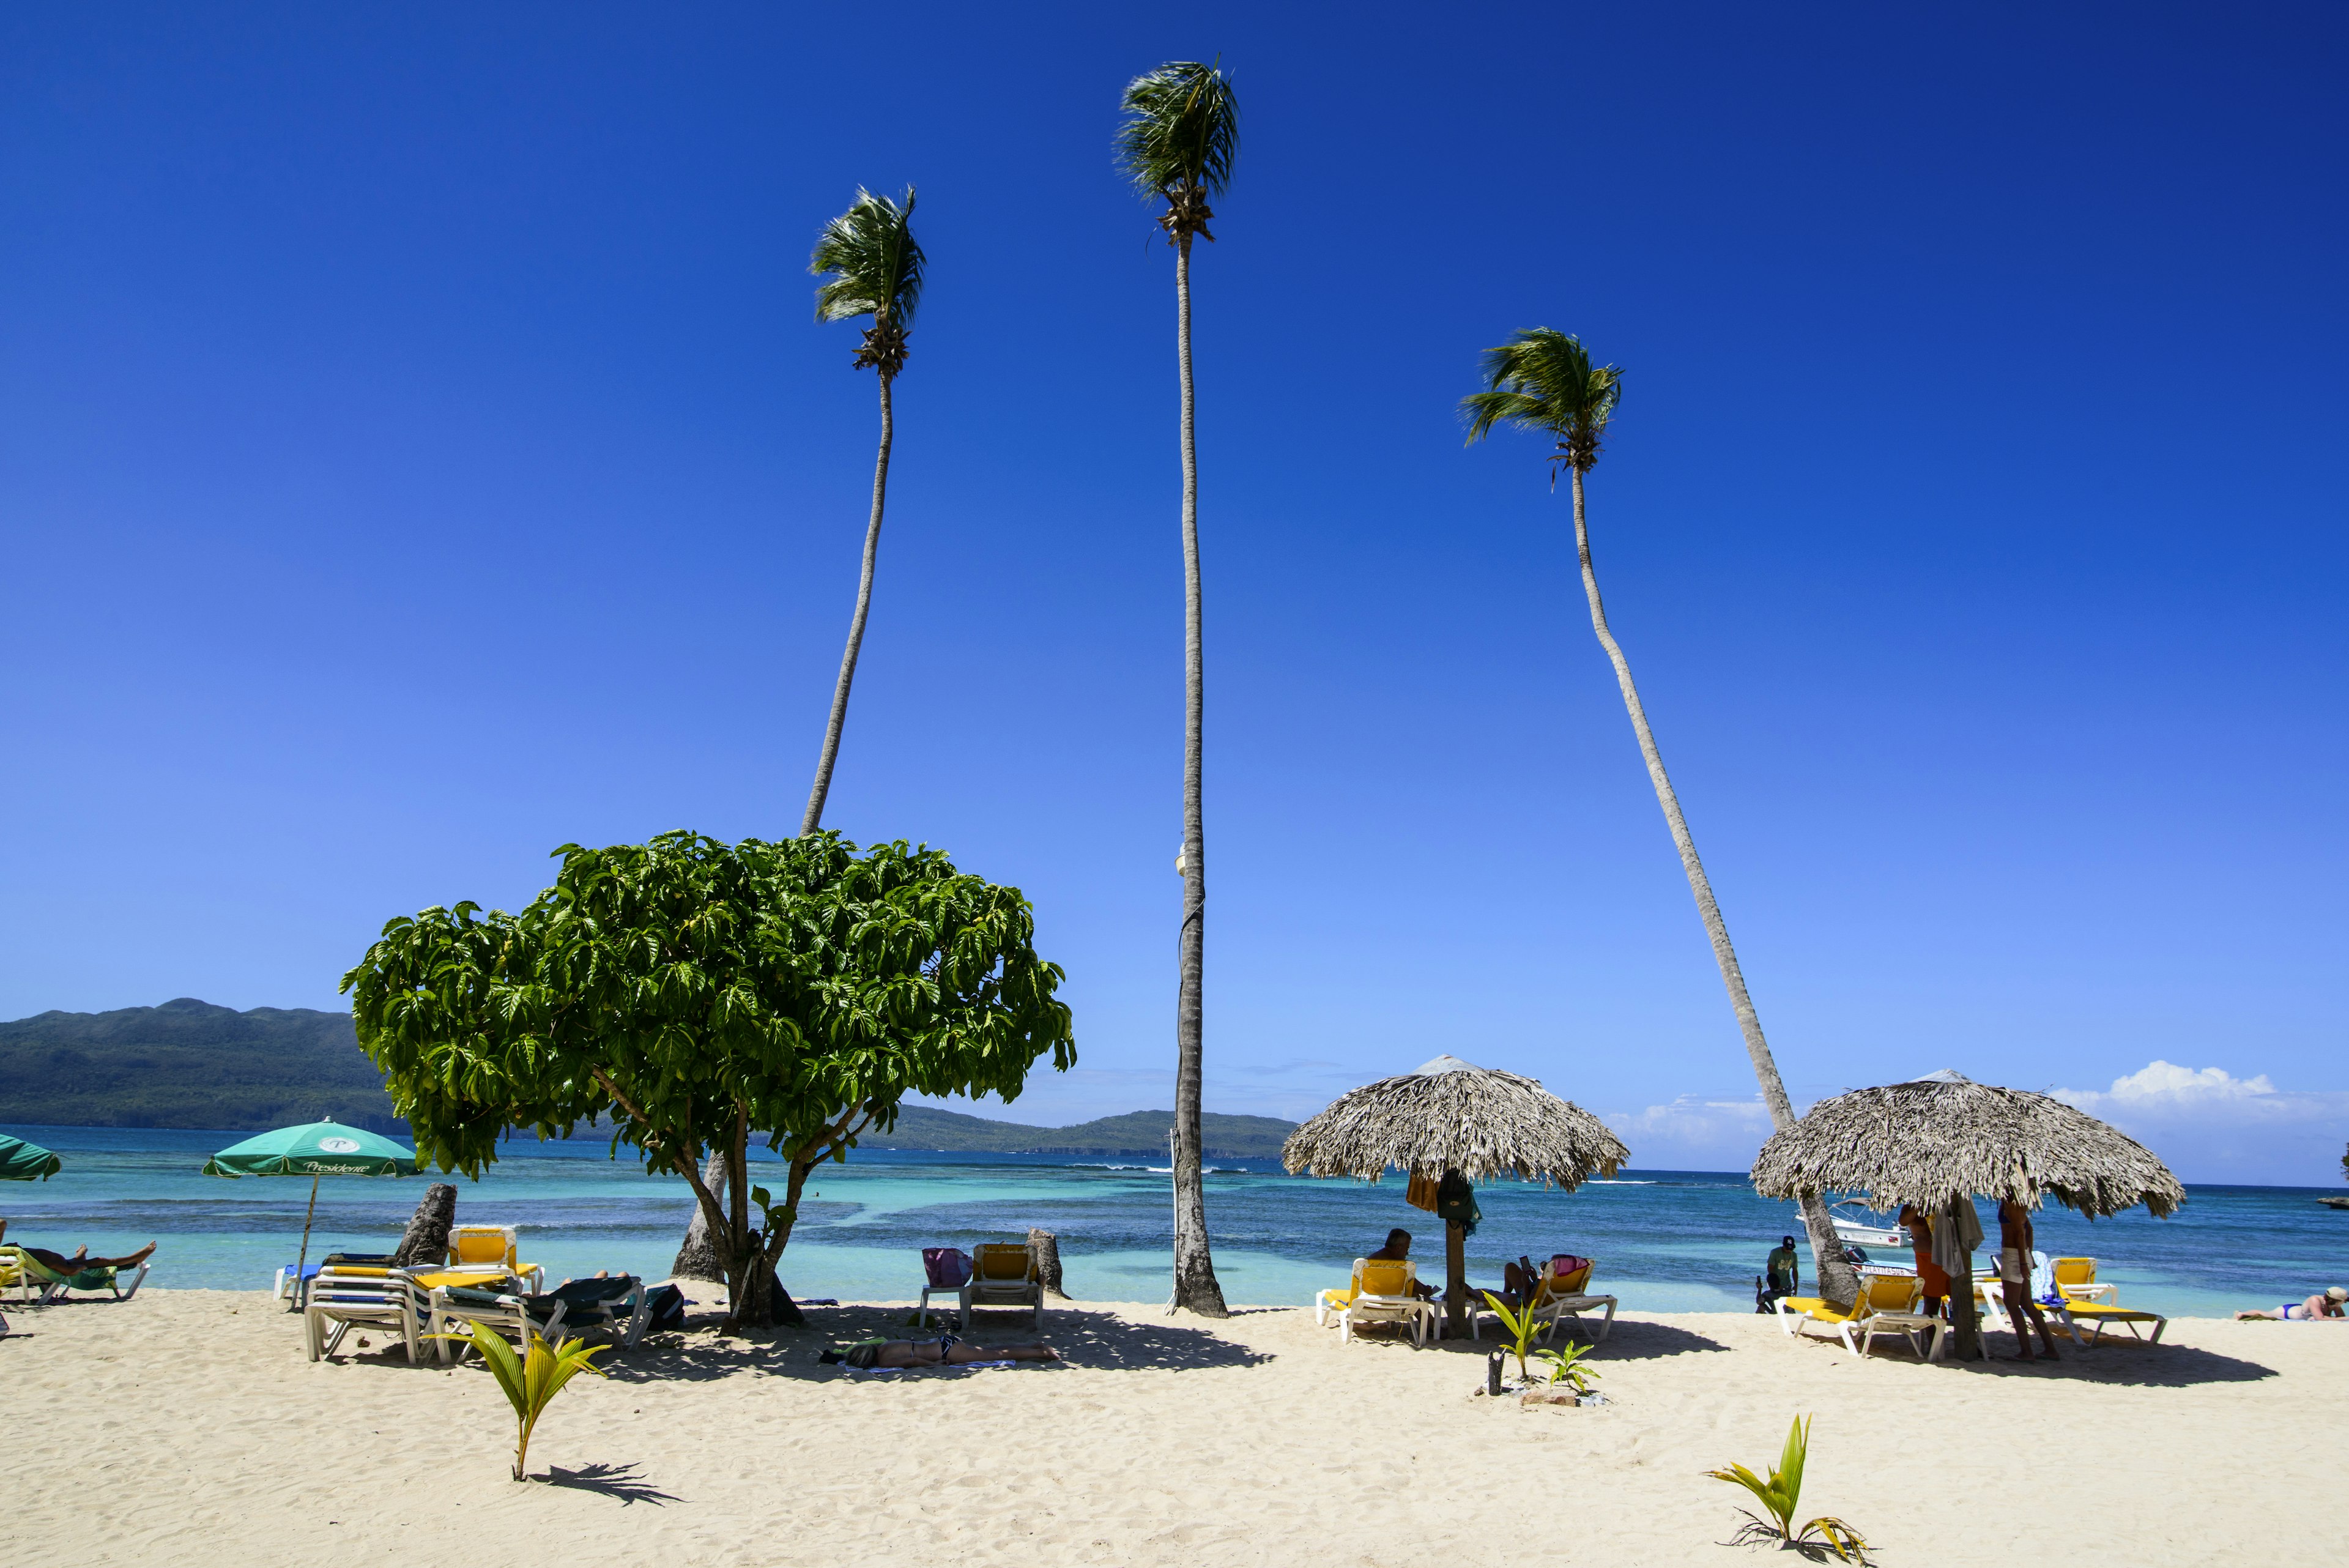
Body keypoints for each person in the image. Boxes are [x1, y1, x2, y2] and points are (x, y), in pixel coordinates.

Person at [1997, 1199, 2060, 1360]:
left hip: (2014, 1256)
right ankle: (2050, 1349)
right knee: (2027, 1304)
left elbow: (2020, 1233)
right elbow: (2029, 1230)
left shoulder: (2013, 1204)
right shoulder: (2014, 1202)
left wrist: (2024, 1261)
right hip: (2020, 1254)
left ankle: (2027, 1352)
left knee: (2011, 1304)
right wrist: (2028, 1254)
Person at [820, 1334, 1059, 1369]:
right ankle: (1034, 1349)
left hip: (946, 1353)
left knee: (997, 1356)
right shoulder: (882, 1346)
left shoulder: (884, 1361)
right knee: (992, 1351)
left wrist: (934, 1366)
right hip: (943, 1340)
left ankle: (1043, 1354)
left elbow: (913, 1363)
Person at [1896, 1204, 1950, 1318]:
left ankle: (1960, 1332)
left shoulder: (1942, 1205)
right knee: (1932, 1301)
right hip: (1928, 1257)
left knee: (1958, 1296)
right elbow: (1903, 1222)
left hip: (1949, 1254)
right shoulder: (1910, 1207)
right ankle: (1931, 1336)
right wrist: (1918, 1206)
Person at [1369, 1227, 1440, 1301]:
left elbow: (1411, 1282)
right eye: (1407, 1249)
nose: (1407, 1253)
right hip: (1387, 1303)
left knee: (1411, 1292)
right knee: (1413, 1294)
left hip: (1369, 1301)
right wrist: (1426, 1290)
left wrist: (1424, 1288)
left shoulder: (1373, 1259)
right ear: (1398, 1248)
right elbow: (1413, 1284)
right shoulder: (1397, 1264)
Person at [12, 1240, 157, 1276]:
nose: (16, 1243)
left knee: (72, 1261)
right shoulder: (22, 1254)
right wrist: (84, 1267)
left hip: (59, 1263)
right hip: (64, 1266)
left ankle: (79, 1257)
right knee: (101, 1261)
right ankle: (135, 1258)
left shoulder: (11, 1253)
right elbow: (70, 1272)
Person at [2235, 1287, 2348, 1321]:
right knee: (2265, 1314)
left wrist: (2340, 1309)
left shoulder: (2335, 1304)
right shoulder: (2315, 1300)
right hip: (2288, 1312)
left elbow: (2340, 1318)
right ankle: (2241, 1314)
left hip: (2300, 1310)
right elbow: (2320, 1319)